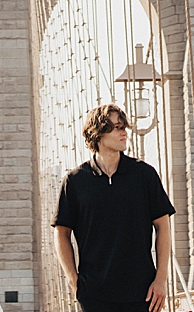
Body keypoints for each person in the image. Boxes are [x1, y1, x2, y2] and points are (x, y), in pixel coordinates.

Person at [53, 104, 173, 312]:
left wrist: (160, 280)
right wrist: (74, 281)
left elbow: (163, 226)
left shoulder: (144, 175)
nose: (124, 132)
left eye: (123, 127)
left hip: (142, 292)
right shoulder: (75, 181)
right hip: (94, 294)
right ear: (97, 134)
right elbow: (61, 233)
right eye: (117, 127)